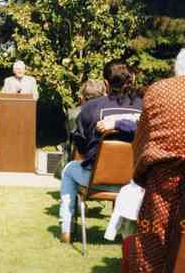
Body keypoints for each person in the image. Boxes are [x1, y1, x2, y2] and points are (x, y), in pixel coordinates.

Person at [59, 60, 142, 243]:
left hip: (95, 180)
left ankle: (66, 230)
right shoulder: (143, 106)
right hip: (133, 181)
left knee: (68, 170)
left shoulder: (90, 107)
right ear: (132, 79)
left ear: (106, 83)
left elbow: (81, 147)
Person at [126, 49, 185, 272]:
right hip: (165, 179)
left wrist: (139, 176)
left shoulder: (159, 90)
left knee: (152, 242)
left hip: (164, 181)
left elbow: (141, 142)